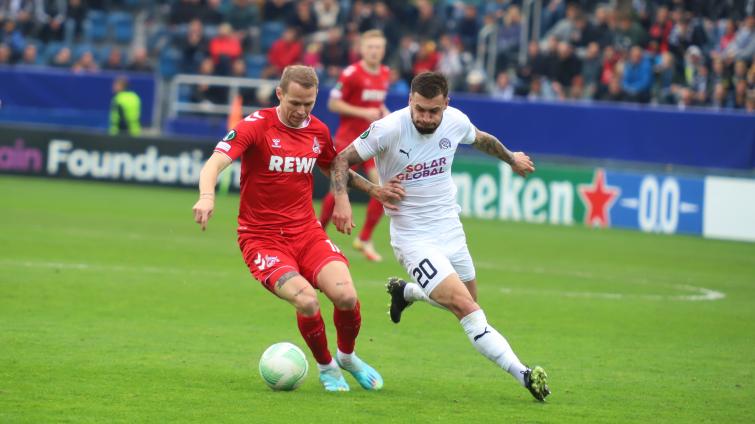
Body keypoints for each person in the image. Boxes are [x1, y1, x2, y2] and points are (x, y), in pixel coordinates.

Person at [329, 71, 550, 401]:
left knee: (469, 302)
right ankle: (524, 374)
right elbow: (340, 160)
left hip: (450, 228)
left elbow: (481, 138)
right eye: (420, 109)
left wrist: (511, 158)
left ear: (446, 104)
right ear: (410, 102)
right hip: (412, 237)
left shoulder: (455, 121)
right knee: (466, 308)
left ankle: (409, 293)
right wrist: (366, 192)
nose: (426, 118)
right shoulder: (390, 128)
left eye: (433, 111)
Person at [191, 65, 404, 392]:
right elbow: (215, 162)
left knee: (346, 296)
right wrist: (207, 196)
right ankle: (327, 368)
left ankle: (347, 357)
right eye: (294, 103)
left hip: (306, 232)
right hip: (262, 239)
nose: (301, 111)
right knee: (306, 300)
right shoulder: (256, 126)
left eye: (308, 104)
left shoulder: (317, 130)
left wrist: (369, 193)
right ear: (280, 94)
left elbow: (335, 167)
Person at [318, 29, 391, 262]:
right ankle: (318, 233)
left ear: (383, 50)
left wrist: (385, 115)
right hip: (348, 141)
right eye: (370, 47)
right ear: (361, 49)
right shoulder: (351, 74)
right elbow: (333, 103)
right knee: (339, 189)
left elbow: (377, 105)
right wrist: (363, 111)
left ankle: (365, 238)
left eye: (378, 47)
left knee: (382, 189)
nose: (374, 51)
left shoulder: (385, 73)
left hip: (371, 141)